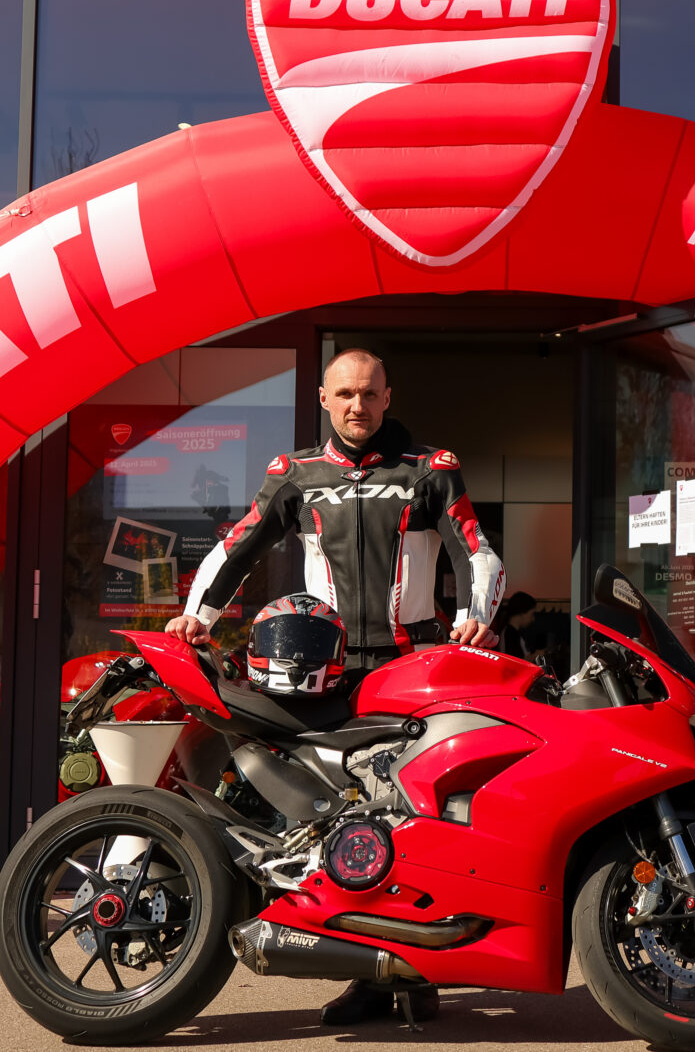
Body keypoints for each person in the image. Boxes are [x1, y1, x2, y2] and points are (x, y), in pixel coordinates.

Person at [165, 346, 503, 1027]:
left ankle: (421, 974)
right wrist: (196, 617)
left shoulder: (429, 468)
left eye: (370, 394)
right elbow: (239, 545)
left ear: (388, 396)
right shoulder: (296, 474)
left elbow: (477, 550)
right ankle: (367, 971)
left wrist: (477, 616)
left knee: (419, 820)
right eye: (345, 394)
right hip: (326, 674)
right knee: (340, 819)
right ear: (324, 398)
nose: (358, 406)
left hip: (414, 667)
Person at [495, 591, 539, 661]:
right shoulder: (509, 633)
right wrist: (535, 656)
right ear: (522, 612)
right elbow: (513, 661)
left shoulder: (514, 632)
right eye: (531, 614)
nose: (533, 619)